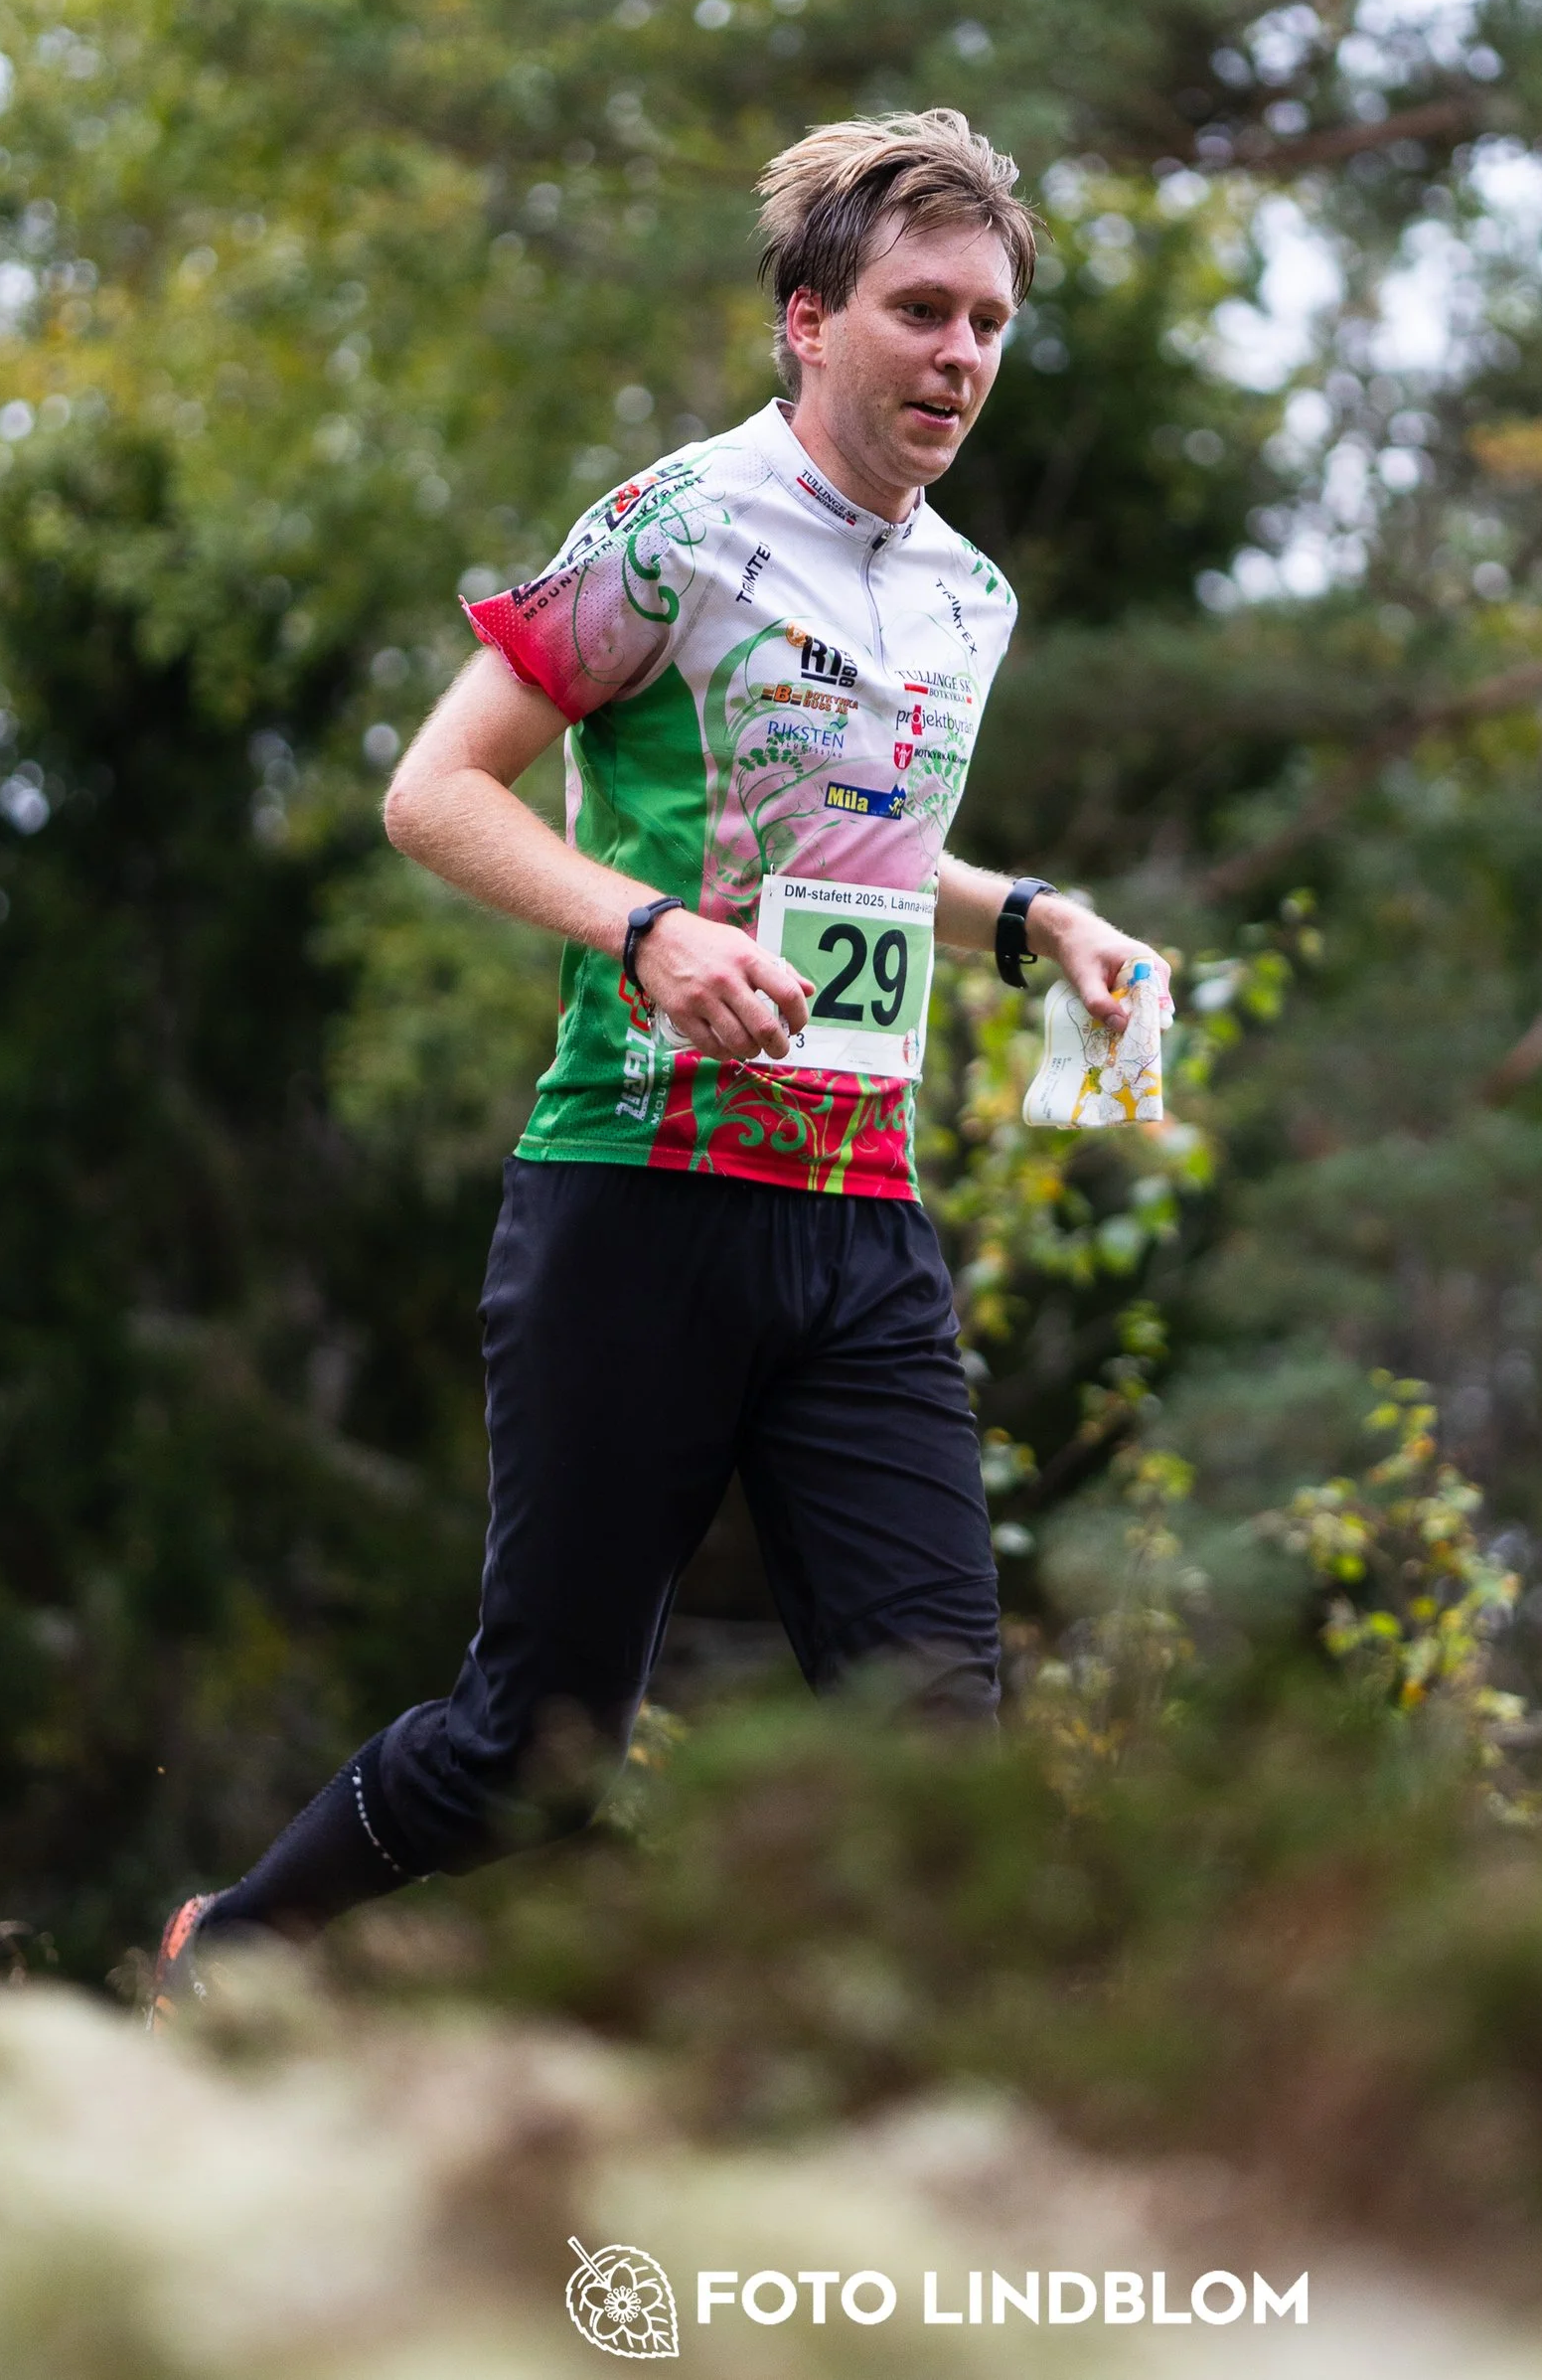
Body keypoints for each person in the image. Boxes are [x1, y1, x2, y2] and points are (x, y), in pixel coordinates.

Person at [152, 108, 1166, 2008]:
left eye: (989, 324)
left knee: (941, 1745)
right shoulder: (675, 527)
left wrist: (1036, 919)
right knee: (531, 1758)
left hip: (860, 1220)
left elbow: (846, 849)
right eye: (920, 311)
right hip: (633, 1198)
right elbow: (433, 792)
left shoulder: (971, 595)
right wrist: (643, 933)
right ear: (808, 319)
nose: (960, 356)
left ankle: (870, 2106)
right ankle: (232, 1950)